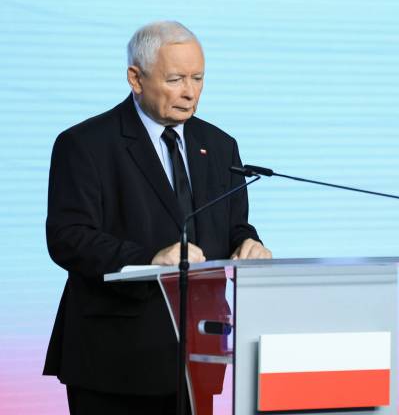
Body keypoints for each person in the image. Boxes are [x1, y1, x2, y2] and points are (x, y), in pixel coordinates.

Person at [43, 20, 272, 414]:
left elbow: (232, 222)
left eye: (198, 78)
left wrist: (247, 243)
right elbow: (68, 237)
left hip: (199, 353)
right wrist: (150, 259)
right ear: (136, 78)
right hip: (115, 358)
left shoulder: (218, 145)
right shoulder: (85, 144)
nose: (190, 92)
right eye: (176, 79)